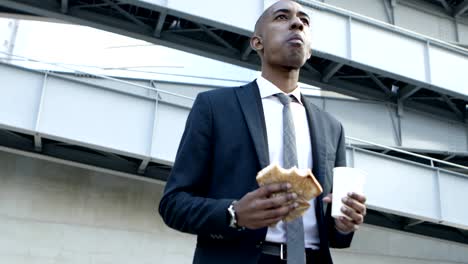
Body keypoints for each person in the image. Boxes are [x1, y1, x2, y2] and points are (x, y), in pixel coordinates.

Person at [158, 0, 367, 263]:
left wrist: (343, 225)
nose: (297, 23)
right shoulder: (214, 107)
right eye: (282, 17)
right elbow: (173, 204)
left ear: (310, 51)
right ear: (257, 42)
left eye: (305, 21)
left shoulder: (332, 128)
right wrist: (233, 213)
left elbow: (334, 234)